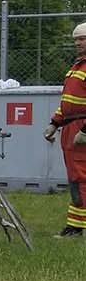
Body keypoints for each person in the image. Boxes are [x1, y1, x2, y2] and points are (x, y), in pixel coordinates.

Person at [45, 21, 86, 238]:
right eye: (76, 39)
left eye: (82, 39)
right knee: (75, 178)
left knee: (81, 178)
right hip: (71, 129)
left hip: (81, 129)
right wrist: (55, 123)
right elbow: (67, 103)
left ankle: (76, 229)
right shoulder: (76, 67)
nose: (78, 43)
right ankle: (75, 226)